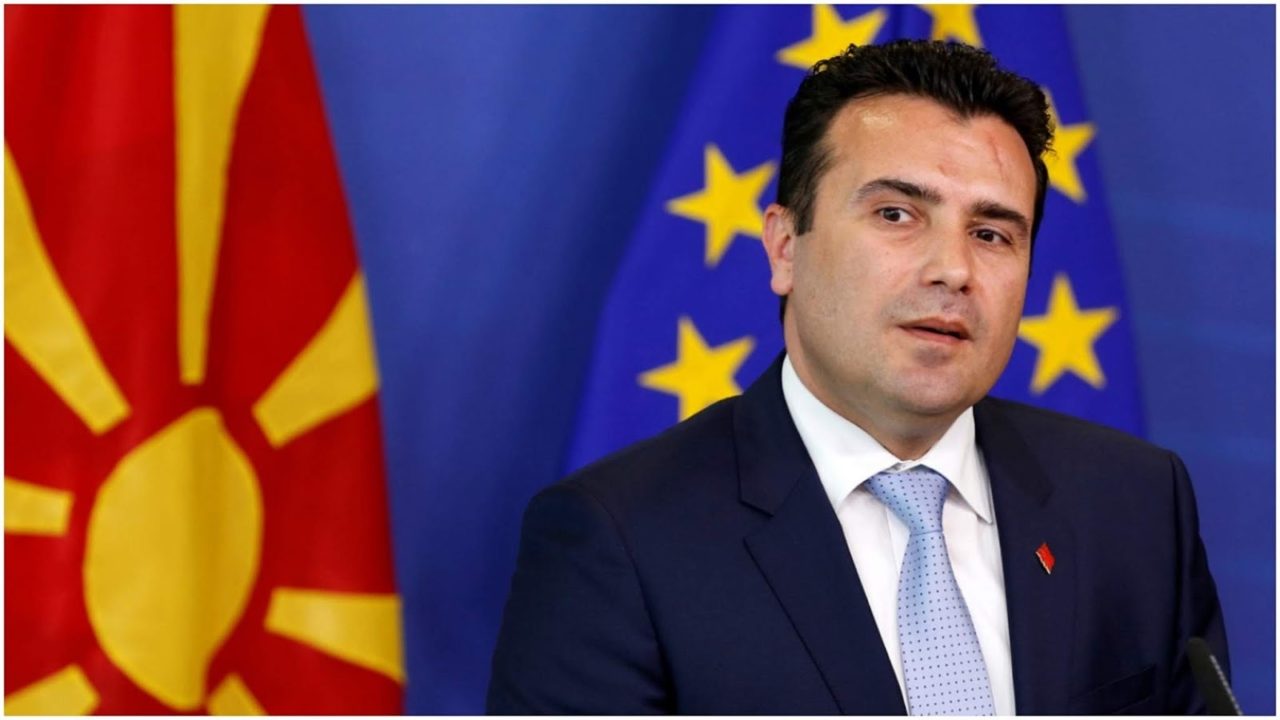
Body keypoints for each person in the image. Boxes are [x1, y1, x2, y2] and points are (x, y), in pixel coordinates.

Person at [487, 40, 1228, 715]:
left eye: (991, 233)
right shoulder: (619, 541)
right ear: (785, 246)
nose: (953, 270)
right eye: (897, 214)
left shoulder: (1134, 505)